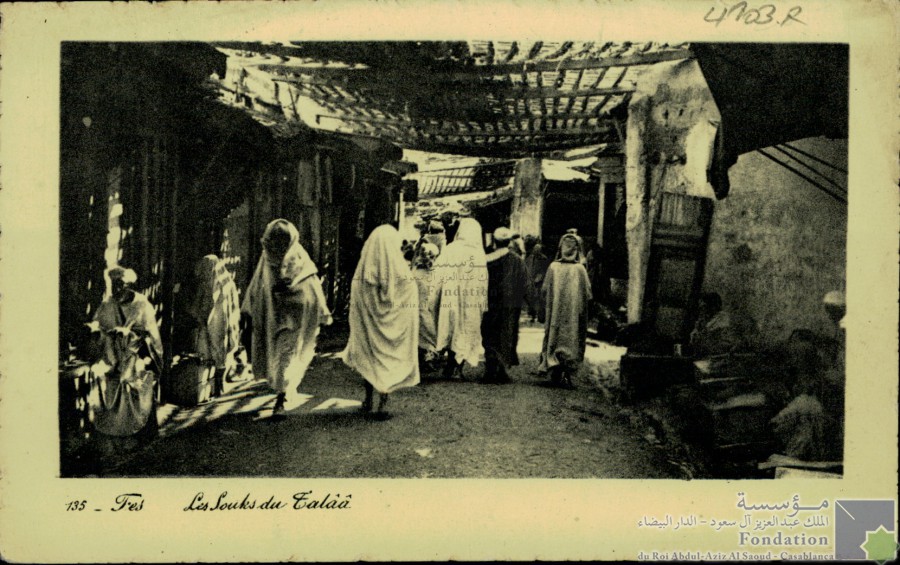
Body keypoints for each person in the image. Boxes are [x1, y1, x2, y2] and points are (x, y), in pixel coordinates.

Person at [241, 219, 333, 416]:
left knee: (285, 356)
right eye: (273, 241)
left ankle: (280, 400)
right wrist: (249, 309)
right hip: (271, 317)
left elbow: (311, 288)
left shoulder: (299, 259)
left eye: (280, 241)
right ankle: (285, 388)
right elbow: (257, 284)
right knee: (274, 357)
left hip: (293, 319)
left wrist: (291, 290)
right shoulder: (266, 259)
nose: (276, 247)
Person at [342, 225, 420, 417]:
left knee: (368, 358)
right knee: (387, 360)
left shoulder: (362, 274)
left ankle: (368, 399)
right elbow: (410, 296)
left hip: (368, 329)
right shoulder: (401, 273)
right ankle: (383, 403)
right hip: (392, 327)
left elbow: (356, 305)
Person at [89, 266, 163, 438]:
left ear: (128, 285)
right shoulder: (108, 304)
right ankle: (116, 432)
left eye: (120, 284)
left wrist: (129, 335)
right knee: (101, 374)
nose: (117, 289)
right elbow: (99, 326)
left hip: (137, 354)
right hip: (112, 355)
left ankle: (140, 433)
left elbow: (150, 336)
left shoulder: (141, 304)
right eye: (114, 285)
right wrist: (100, 332)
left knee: (133, 375)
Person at [433, 217, 489, 379]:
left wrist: (436, 293)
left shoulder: (451, 249)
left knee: (452, 327)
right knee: (467, 329)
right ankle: (458, 367)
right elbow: (483, 281)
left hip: (451, 297)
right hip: (471, 300)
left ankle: (450, 365)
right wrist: (482, 301)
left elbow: (438, 273)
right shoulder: (479, 253)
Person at [538, 233, 592, 388]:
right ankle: (567, 373)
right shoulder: (580, 269)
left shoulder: (553, 268)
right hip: (573, 315)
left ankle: (554, 370)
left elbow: (544, 290)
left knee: (554, 337)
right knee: (572, 339)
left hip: (555, 313)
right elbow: (588, 294)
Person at [187, 255, 242, 388]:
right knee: (218, 351)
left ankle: (215, 384)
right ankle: (216, 383)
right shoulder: (225, 283)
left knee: (214, 351)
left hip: (215, 324)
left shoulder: (214, 285)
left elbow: (197, 308)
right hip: (219, 324)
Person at [481, 228, 528, 383]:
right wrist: (532, 305)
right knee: (506, 334)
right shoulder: (517, 260)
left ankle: (490, 369)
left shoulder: (485, 260)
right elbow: (525, 283)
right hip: (510, 305)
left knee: (489, 333)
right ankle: (501, 370)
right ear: (509, 242)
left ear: (494, 241)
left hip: (489, 303)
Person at [411, 242, 441, 369]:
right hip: (424, 310)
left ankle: (424, 356)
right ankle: (428, 355)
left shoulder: (415, 273)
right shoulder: (427, 274)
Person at [689, 292, 741, 357]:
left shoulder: (723, 318)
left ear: (713, 307)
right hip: (703, 354)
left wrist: (702, 334)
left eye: (704, 306)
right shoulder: (703, 319)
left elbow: (716, 337)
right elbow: (695, 336)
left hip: (718, 356)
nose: (702, 309)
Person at [524, 240, 551, 322]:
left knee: (540, 299)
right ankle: (532, 315)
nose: (536, 251)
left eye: (537, 250)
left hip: (540, 282)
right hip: (531, 281)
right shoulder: (530, 258)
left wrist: (539, 278)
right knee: (531, 298)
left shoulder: (543, 258)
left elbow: (545, 270)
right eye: (535, 249)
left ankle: (540, 316)